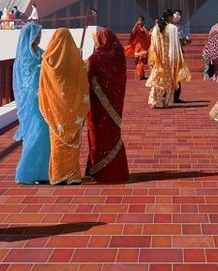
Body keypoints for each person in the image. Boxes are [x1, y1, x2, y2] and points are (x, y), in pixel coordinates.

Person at [37, 28, 89, 184]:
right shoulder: (76, 61)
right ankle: (73, 176)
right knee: (73, 143)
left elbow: (43, 85)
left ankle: (59, 175)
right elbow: (83, 80)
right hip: (73, 111)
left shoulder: (48, 61)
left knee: (57, 142)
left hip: (56, 111)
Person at [85, 28, 129, 183]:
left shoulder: (95, 59)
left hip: (97, 106)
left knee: (98, 134)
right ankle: (116, 169)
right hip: (115, 104)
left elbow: (85, 74)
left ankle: (101, 170)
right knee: (112, 133)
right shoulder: (118, 56)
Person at [11, 23, 50, 185]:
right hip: (31, 102)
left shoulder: (40, 52)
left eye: (40, 34)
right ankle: (24, 173)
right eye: (37, 35)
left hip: (43, 99)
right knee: (36, 133)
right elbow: (26, 80)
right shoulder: (24, 56)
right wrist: (41, 68)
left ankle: (41, 173)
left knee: (44, 136)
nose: (39, 38)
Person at [146, 11, 190, 108]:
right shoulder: (173, 28)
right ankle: (166, 102)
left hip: (159, 58)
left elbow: (153, 43)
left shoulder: (156, 27)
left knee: (157, 79)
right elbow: (176, 45)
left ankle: (152, 101)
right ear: (170, 17)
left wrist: (155, 57)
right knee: (169, 81)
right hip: (169, 58)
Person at [171, 10, 191, 102]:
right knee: (170, 75)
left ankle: (176, 96)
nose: (178, 16)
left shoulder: (180, 28)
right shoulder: (168, 27)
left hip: (178, 54)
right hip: (170, 54)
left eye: (180, 15)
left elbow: (184, 39)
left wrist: (185, 40)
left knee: (178, 75)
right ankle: (167, 96)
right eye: (176, 14)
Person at [125, 16, 151, 81]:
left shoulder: (143, 28)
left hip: (144, 47)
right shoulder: (136, 27)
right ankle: (140, 75)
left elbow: (147, 35)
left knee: (143, 61)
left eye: (142, 20)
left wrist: (144, 29)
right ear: (137, 21)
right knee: (139, 61)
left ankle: (142, 74)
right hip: (138, 47)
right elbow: (132, 33)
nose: (141, 21)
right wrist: (136, 24)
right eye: (139, 20)